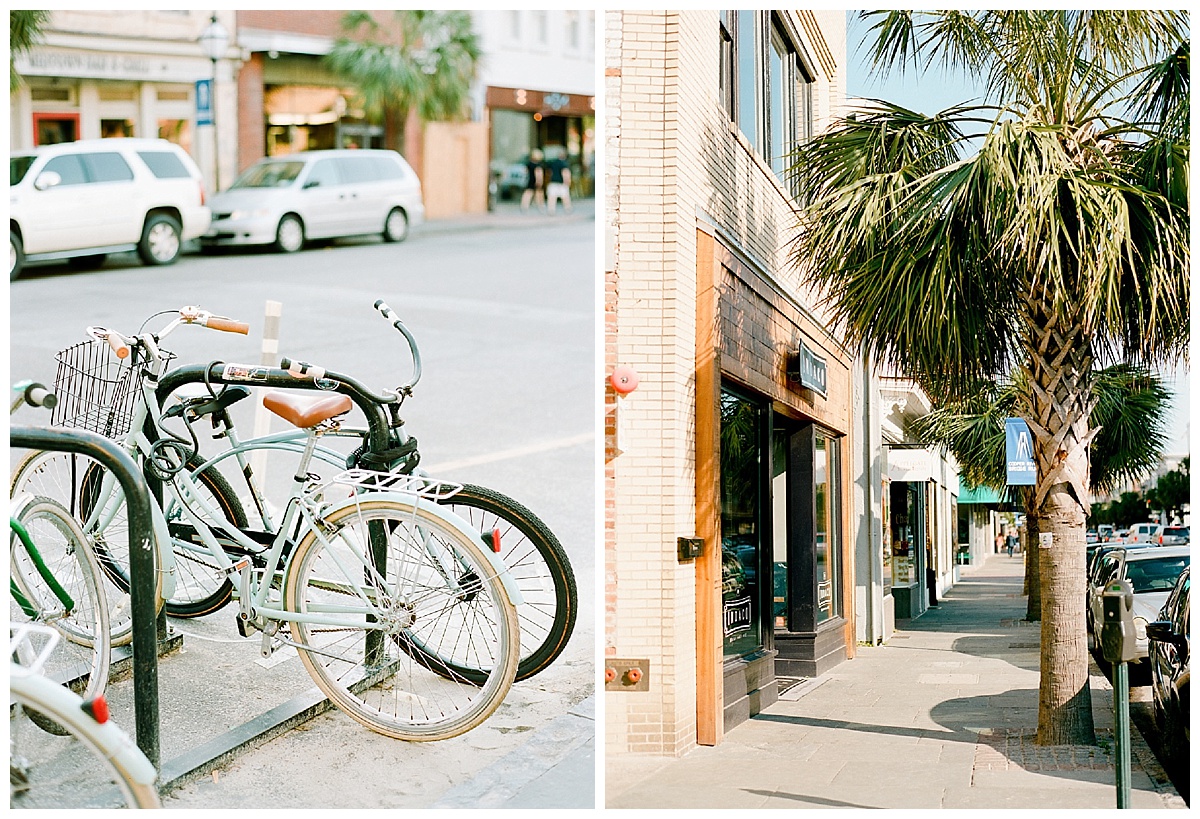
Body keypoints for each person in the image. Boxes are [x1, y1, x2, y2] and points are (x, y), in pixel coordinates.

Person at [545, 149, 573, 214]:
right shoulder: (564, 163)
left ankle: (551, 209)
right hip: (561, 182)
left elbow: (549, 171)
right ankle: (568, 208)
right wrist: (567, 180)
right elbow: (565, 172)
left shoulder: (553, 162)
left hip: (553, 181)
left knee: (552, 197)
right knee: (565, 196)